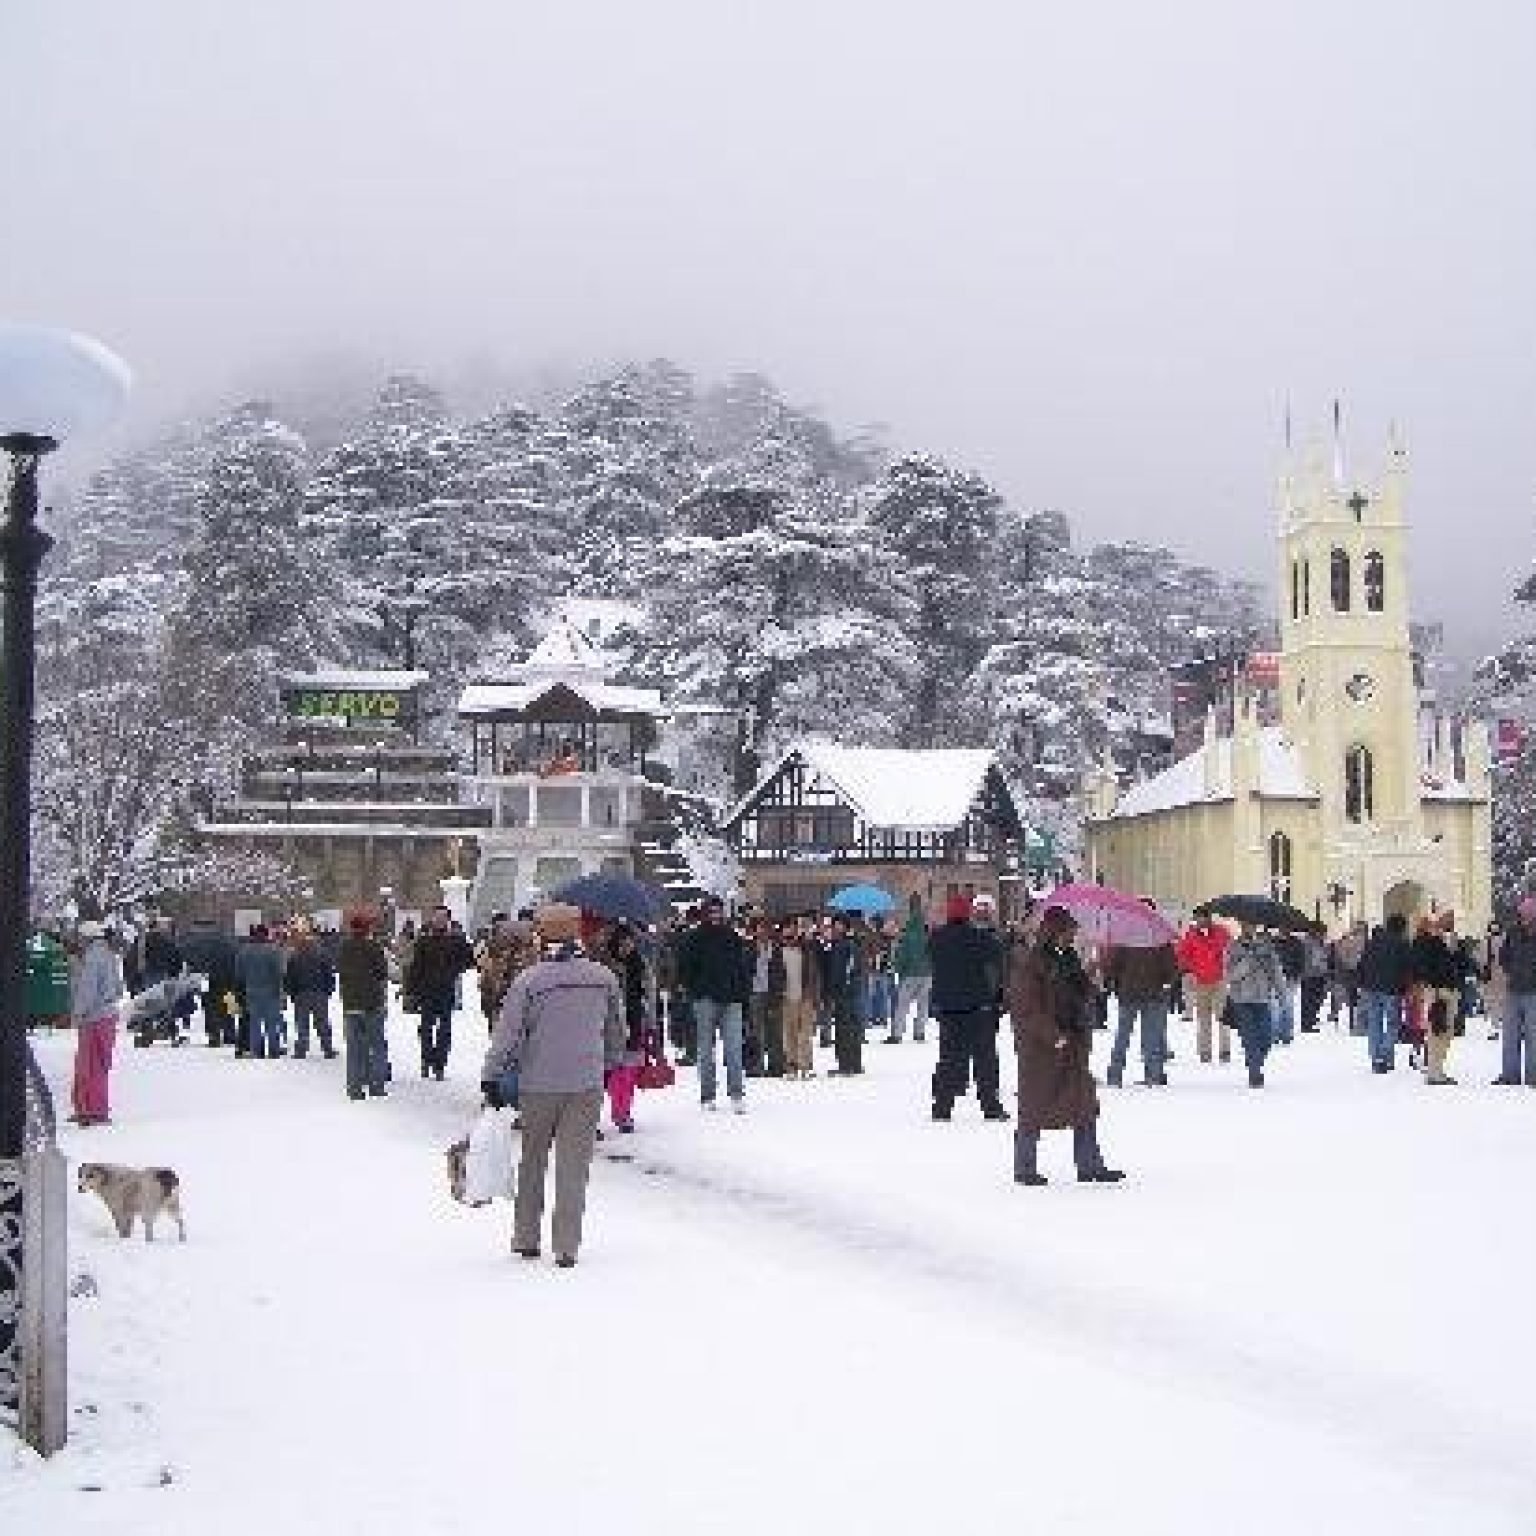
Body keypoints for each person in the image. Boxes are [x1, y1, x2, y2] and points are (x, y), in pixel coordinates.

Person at [482, 903, 625, 1267]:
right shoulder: (603, 978)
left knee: (532, 1161)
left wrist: (491, 1075)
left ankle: (526, 1237)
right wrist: (606, 1066)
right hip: (585, 1082)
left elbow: (508, 1034)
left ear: (541, 934)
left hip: (538, 1082)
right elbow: (615, 1033)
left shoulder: (529, 981)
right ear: (577, 933)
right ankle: (566, 1246)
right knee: (574, 1167)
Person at [1008, 905, 1123, 1185]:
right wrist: (1052, 1035)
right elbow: (1026, 1008)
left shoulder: (1069, 958)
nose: (1073, 937)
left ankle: (1090, 1165)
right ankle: (1024, 1168)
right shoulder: (1030, 963)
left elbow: (1081, 992)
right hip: (1041, 1050)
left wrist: (1094, 972)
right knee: (1034, 1106)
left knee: (1084, 1103)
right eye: (1069, 931)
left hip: (1073, 1043)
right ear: (1054, 932)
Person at [928, 893, 1008, 1121]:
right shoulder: (980, 938)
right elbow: (997, 956)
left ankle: (942, 1107)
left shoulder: (936, 939)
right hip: (978, 1008)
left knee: (948, 1059)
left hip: (948, 1009)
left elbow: (932, 958)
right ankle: (990, 1106)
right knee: (985, 1060)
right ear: (968, 914)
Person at [675, 895, 751, 1112]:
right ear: (704, 913)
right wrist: (695, 990)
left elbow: (742, 968)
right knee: (705, 1050)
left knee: (734, 1049)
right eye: (712, 911)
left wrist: (742, 996)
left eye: (718, 911)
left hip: (732, 999)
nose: (715, 915)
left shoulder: (732, 937)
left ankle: (737, 1093)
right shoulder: (693, 938)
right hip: (705, 999)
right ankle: (707, 1095)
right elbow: (684, 969)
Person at [407, 905, 477, 1080]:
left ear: (448, 920)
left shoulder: (457, 940)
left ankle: (440, 1065)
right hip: (427, 991)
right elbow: (416, 966)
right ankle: (426, 1060)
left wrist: (454, 970)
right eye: (436, 917)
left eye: (442, 917)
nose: (439, 920)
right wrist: (411, 990)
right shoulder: (424, 940)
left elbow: (470, 961)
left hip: (446, 990)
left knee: (444, 1030)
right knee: (425, 1029)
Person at [1103, 935, 1178, 1088]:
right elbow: (1171, 968)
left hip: (1128, 993)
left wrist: (1114, 985)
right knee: (1151, 1038)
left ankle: (1115, 1076)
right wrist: (1166, 986)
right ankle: (1153, 1076)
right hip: (1154, 994)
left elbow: (1113, 966)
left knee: (1122, 1036)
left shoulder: (1125, 938)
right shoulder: (1161, 939)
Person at [69, 920, 123, 1127]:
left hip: (92, 1018)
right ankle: (98, 1107)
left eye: (80, 937)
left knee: (87, 1064)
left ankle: (88, 1109)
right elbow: (119, 988)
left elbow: (87, 991)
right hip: (108, 1016)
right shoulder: (110, 956)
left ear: (87, 938)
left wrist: (77, 1013)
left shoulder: (91, 958)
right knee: (102, 1064)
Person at [1222, 922, 1286, 1088]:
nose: (1248, 928)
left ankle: (1254, 1060)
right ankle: (1254, 1072)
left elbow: (1276, 971)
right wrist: (1247, 962)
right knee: (1249, 1037)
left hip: (1262, 998)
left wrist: (1281, 993)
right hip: (1241, 1000)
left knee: (1267, 1036)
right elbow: (1229, 975)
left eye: (1251, 926)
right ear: (1241, 927)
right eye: (1245, 926)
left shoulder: (1266, 948)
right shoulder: (1233, 947)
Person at [337, 908, 391, 1099]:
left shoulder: (343, 947)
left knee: (354, 1049)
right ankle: (377, 1086)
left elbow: (340, 971)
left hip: (351, 1005)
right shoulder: (374, 947)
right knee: (376, 1046)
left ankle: (355, 1088)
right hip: (372, 1004)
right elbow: (383, 974)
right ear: (368, 928)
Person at [603, 922, 647, 1132]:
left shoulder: (639, 963)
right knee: (609, 1072)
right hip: (609, 1024)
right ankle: (611, 1110)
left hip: (634, 1021)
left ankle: (623, 1113)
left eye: (630, 941)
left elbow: (648, 993)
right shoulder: (605, 965)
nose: (628, 946)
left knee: (628, 1072)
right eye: (623, 942)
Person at [1356, 913, 1413, 1073]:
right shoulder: (1402, 943)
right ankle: (1385, 1054)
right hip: (1392, 989)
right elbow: (1407, 967)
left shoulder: (1372, 942)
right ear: (1401, 927)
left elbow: (1362, 963)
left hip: (1371, 987)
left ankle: (1377, 1058)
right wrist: (1406, 987)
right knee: (1393, 1023)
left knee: (1374, 1022)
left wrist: (1361, 983)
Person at [1409, 913, 1460, 1085]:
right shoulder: (1428, 943)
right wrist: (1435, 986)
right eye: (1435, 924)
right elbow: (1430, 968)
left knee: (1441, 1031)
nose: (1438, 927)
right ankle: (1435, 1072)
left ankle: (1436, 1070)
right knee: (1439, 1031)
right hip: (1439, 991)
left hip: (1442, 989)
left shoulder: (1432, 942)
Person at [1176, 908, 1231, 1064]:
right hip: (1200, 982)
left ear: (1208, 918)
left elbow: (1231, 951)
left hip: (1220, 980)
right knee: (1203, 1019)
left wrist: (1226, 967)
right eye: (1197, 918)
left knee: (1223, 1018)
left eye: (1201, 918)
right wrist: (1190, 970)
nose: (1199, 921)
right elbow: (1182, 955)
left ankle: (1225, 1050)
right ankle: (1205, 1051)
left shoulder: (1222, 932)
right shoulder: (1191, 934)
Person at [1495, 896, 1536, 1086]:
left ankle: (1533, 1075)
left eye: (1530, 913)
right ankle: (1510, 1074)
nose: (1526, 916)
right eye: (1523, 913)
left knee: (1533, 1034)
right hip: (1514, 989)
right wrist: (1510, 970)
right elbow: (1503, 956)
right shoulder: (1513, 931)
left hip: (1534, 992)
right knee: (1510, 1035)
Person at [180, 916, 239, 1047]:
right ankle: (230, 1034)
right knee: (226, 1005)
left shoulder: (191, 942)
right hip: (226, 978)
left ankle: (214, 1035)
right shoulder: (226, 940)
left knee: (209, 1007)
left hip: (205, 978)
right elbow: (235, 955)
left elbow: (185, 958)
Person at [284, 922, 338, 1059]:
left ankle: (301, 1050)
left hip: (301, 995)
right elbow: (329, 974)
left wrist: (292, 994)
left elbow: (289, 977)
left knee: (302, 1024)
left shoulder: (294, 956)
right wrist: (328, 991)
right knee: (323, 1023)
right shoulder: (322, 954)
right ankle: (328, 1049)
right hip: (319, 993)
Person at [238, 924, 288, 1059]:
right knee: (272, 1023)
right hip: (271, 992)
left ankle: (256, 1050)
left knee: (254, 1023)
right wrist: (280, 991)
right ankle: (274, 1050)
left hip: (251, 991)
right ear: (266, 935)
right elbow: (279, 973)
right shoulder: (273, 951)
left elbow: (239, 974)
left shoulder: (244, 951)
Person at [780, 918, 820, 1078]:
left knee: (805, 1033)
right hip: (786, 997)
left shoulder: (808, 949)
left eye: (794, 929)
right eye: (788, 929)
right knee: (789, 1033)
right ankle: (791, 1064)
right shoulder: (778, 950)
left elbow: (815, 973)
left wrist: (815, 996)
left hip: (806, 996)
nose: (791, 932)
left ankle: (805, 1065)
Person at [889, 894, 932, 1043]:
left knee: (902, 1005)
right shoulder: (928, 935)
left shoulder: (907, 936)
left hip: (910, 974)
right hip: (926, 974)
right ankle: (919, 1032)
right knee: (923, 1005)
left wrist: (897, 969)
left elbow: (901, 956)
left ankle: (897, 1034)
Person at [1298, 924, 1331, 1033]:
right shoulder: (1310, 943)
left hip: (1314, 975)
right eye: (1323, 933)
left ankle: (1310, 1020)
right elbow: (1316, 960)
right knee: (1310, 1000)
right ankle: (1307, 1023)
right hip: (1312, 975)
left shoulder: (1314, 942)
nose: (1324, 935)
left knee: (1312, 1000)